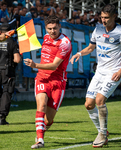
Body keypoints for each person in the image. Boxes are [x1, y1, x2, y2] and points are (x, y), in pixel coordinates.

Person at [70, 4, 121, 148]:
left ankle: (103, 134)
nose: (103, 20)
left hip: (113, 73)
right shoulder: (98, 29)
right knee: (88, 104)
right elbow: (91, 47)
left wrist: (120, 71)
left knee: (99, 100)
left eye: (106, 18)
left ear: (114, 17)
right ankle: (102, 131)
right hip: (99, 72)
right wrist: (79, 53)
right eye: (102, 17)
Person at [24, 15, 72, 149]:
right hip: (42, 78)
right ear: (46, 28)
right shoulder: (45, 37)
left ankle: (41, 131)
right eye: (49, 29)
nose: (52, 31)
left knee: (49, 120)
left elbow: (54, 66)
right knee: (41, 106)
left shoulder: (65, 43)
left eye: (55, 28)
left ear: (59, 27)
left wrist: (35, 65)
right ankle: (40, 140)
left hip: (58, 81)